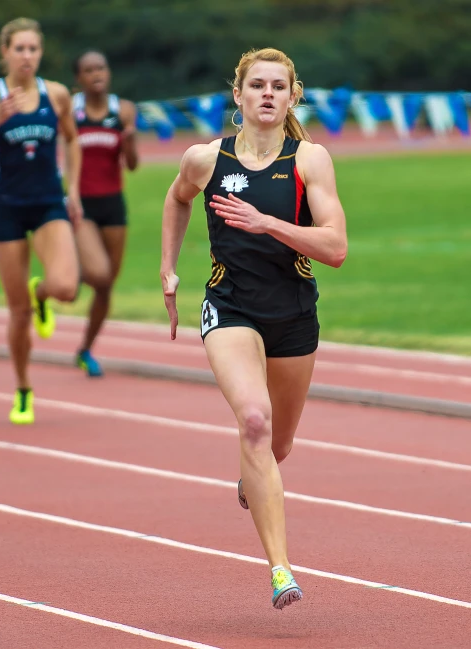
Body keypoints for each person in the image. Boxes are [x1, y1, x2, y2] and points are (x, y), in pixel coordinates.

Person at [160, 48, 347, 609]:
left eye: (279, 86)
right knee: (256, 422)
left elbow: (335, 248)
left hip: (292, 313)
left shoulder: (309, 160)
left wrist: (268, 223)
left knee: (278, 445)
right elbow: (176, 199)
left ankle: (253, 475)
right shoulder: (205, 158)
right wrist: (169, 267)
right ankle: (281, 570)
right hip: (230, 308)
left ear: (293, 97)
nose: (268, 94)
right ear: (238, 95)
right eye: (257, 85)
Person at [0, 17, 83, 424]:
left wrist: (74, 190)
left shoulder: (57, 94)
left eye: (33, 49)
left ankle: (42, 293)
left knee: (66, 286)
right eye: (19, 49)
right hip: (8, 206)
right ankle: (24, 388)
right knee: (17, 313)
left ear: (40, 53)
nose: (27, 56)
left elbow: (72, 139)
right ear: (5, 52)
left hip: (48, 202)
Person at [71, 50, 139, 377]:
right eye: (88, 69)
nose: (96, 73)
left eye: (101, 67)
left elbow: (133, 165)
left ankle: (85, 349)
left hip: (113, 204)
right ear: (79, 78)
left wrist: (129, 141)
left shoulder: (123, 110)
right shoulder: (70, 110)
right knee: (97, 274)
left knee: (106, 285)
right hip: (80, 204)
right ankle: (61, 273)